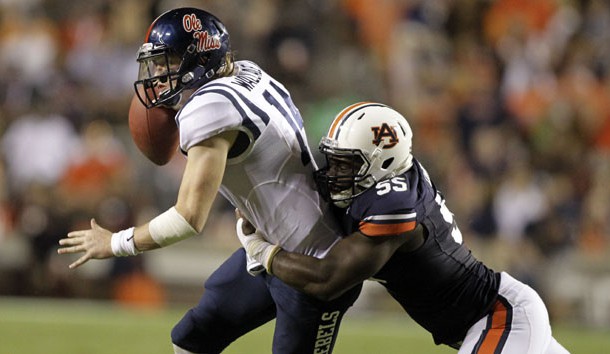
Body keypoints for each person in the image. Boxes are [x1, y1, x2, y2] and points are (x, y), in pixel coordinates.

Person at [57, 7, 362, 354]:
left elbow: (188, 218)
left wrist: (115, 243)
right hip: (270, 245)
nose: (156, 74)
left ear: (199, 60)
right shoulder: (247, 72)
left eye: (166, 62)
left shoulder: (209, 108)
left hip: (314, 264)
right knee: (192, 339)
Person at [237, 102, 571, 353]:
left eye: (348, 163)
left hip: (498, 315)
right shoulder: (384, 183)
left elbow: (327, 279)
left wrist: (263, 251)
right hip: (492, 319)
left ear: (382, 162)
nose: (335, 171)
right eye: (335, 160)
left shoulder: (395, 205)